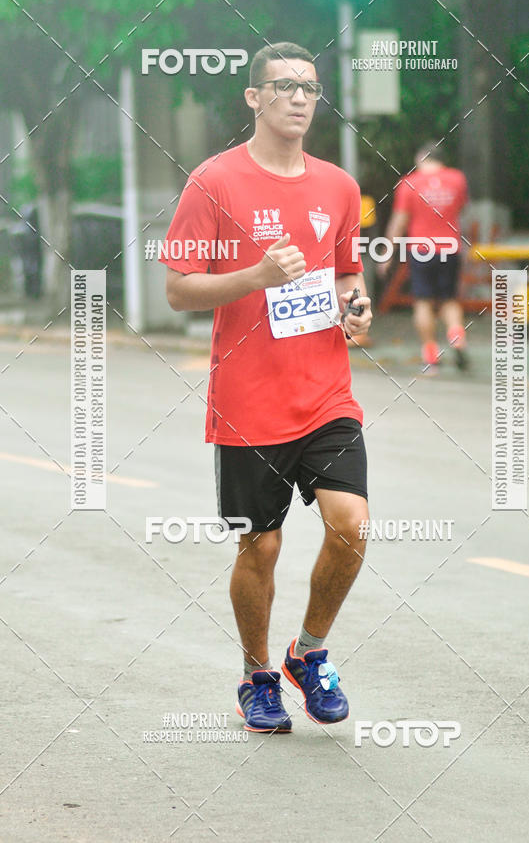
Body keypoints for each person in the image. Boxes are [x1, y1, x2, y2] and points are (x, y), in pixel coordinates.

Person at [160, 42, 372, 733]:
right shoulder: (214, 182)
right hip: (248, 403)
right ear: (253, 97)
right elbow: (178, 290)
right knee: (262, 546)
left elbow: (347, 273)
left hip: (326, 393)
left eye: (309, 87)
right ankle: (257, 675)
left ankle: (308, 653)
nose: (299, 98)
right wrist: (256, 276)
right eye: (283, 86)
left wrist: (356, 305)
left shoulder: (339, 187)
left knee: (351, 524)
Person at [382, 141, 469, 372]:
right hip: (450, 248)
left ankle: (430, 352)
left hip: (421, 250)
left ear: (421, 157)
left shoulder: (409, 183)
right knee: (449, 299)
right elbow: (461, 209)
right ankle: (456, 335)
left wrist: (387, 252)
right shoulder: (457, 179)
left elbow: (399, 221)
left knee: (423, 301)